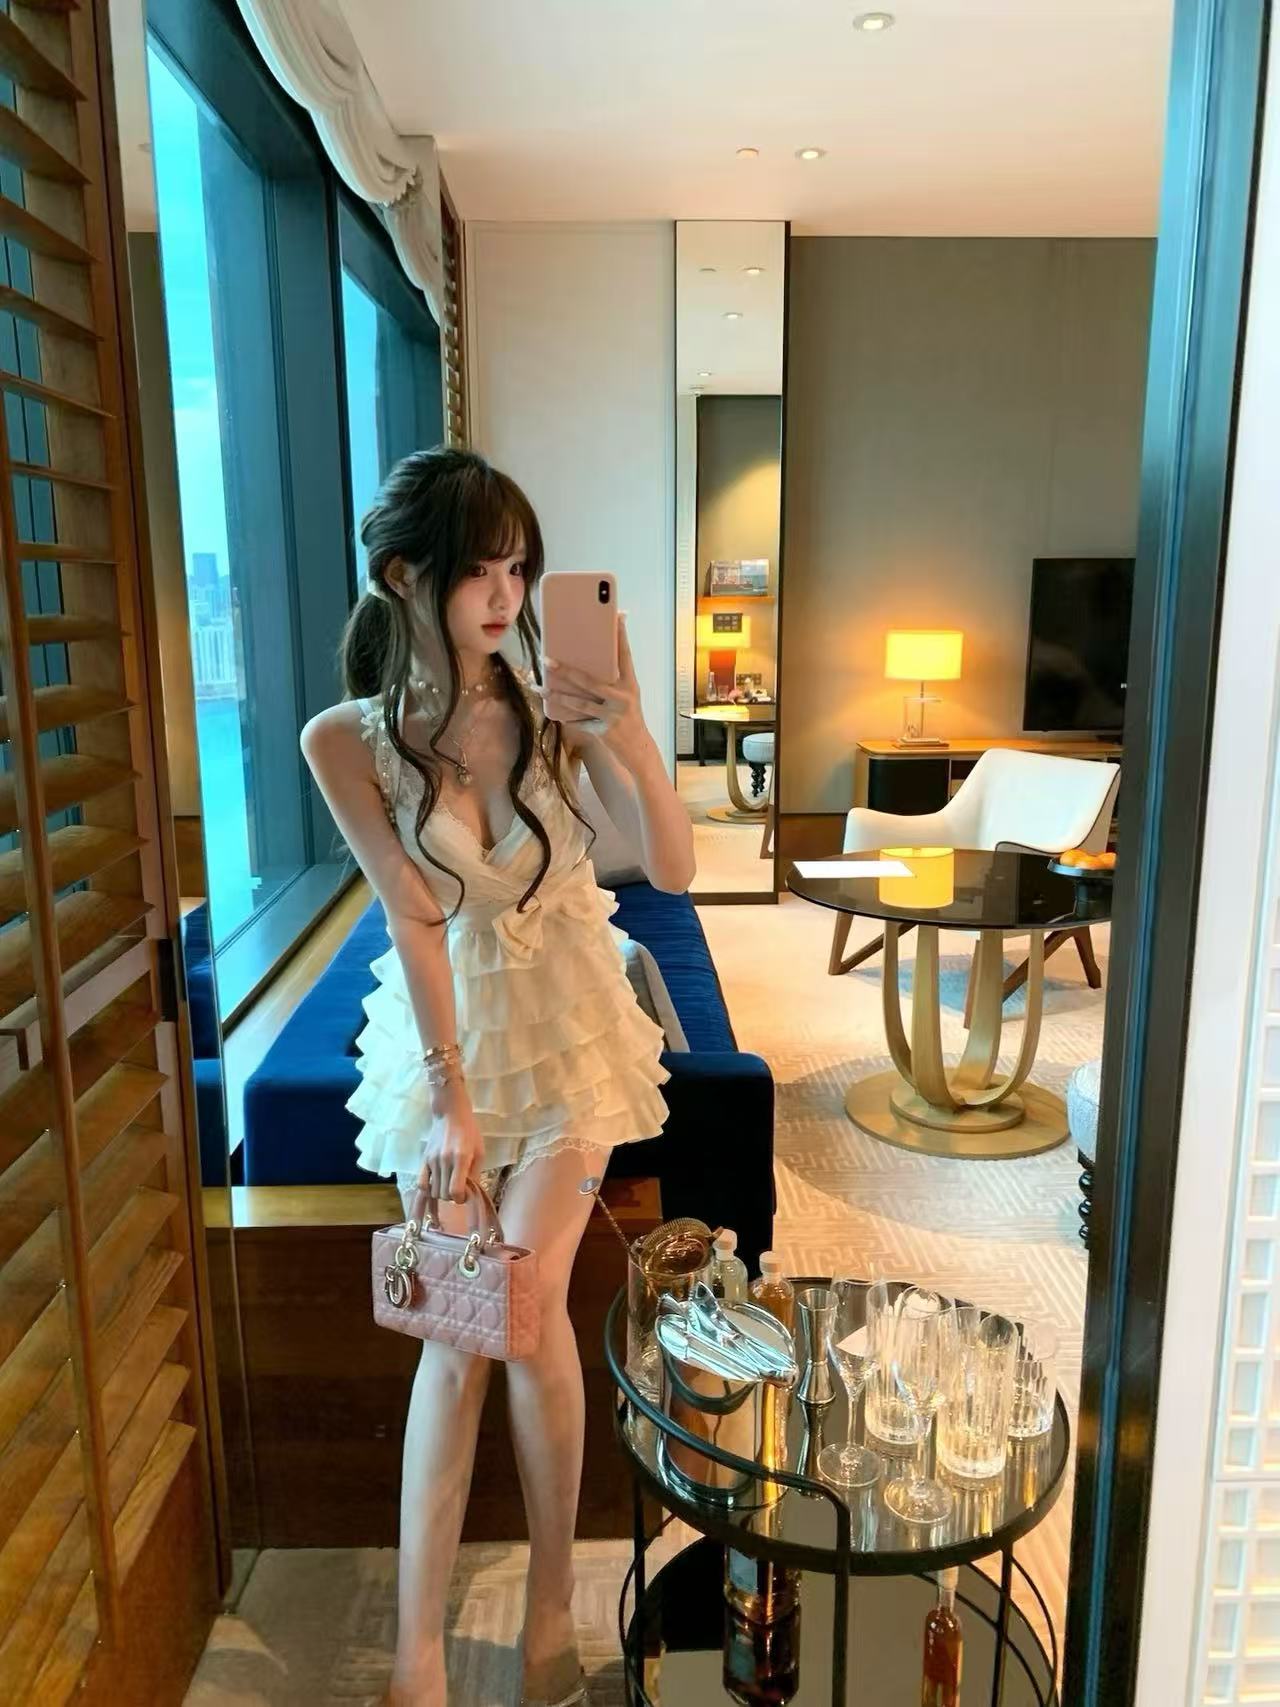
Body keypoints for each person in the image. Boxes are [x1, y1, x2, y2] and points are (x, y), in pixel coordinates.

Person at [300, 447, 695, 1707]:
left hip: (572, 1021)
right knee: (457, 1334)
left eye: (519, 569)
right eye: (479, 569)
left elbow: (674, 870)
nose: (505, 594)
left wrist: (631, 736)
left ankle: (544, 1623)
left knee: (518, 1301)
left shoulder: (550, 702)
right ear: (401, 574)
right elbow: (413, 921)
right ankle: (418, 1656)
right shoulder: (345, 742)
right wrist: (451, 1106)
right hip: (451, 1036)